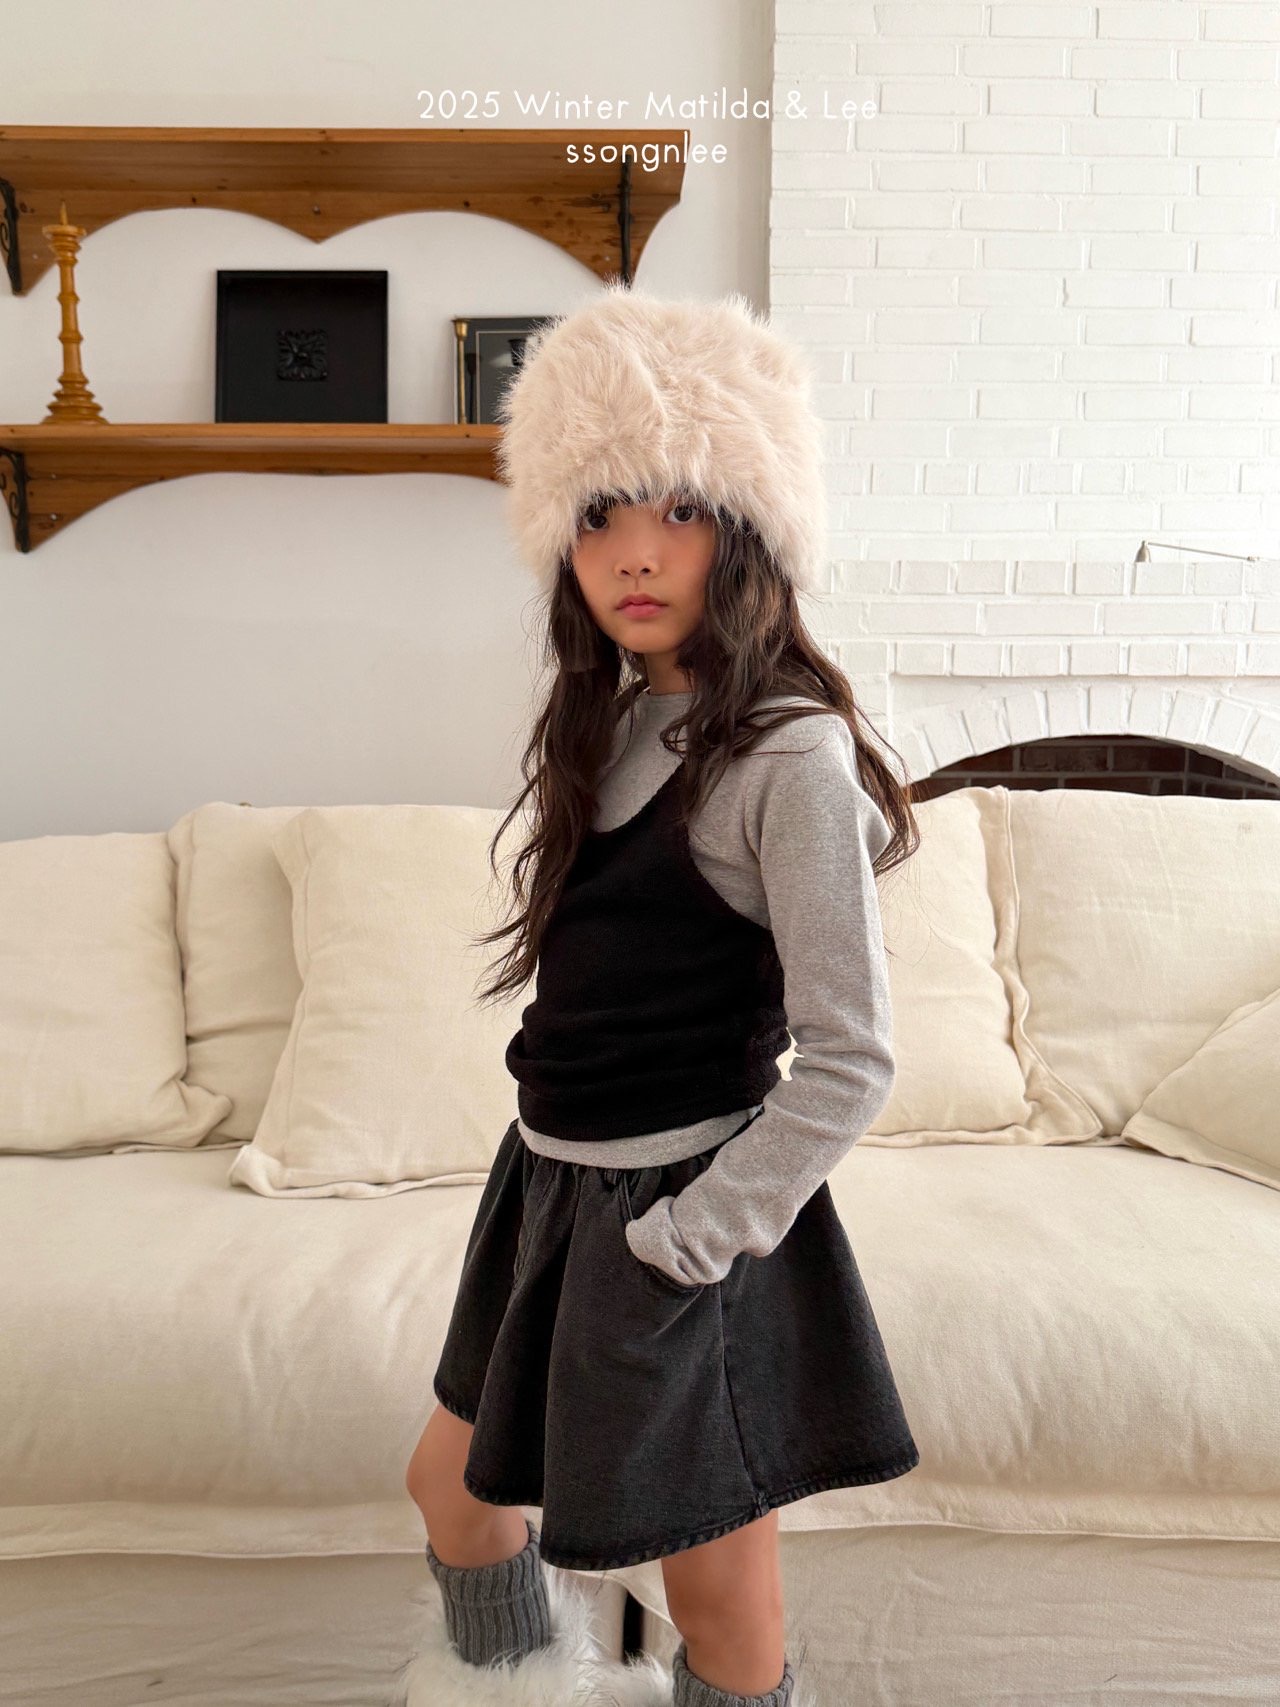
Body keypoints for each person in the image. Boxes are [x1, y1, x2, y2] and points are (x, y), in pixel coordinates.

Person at [401, 283, 923, 1707]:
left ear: (749, 527)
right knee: (453, 1489)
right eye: (598, 515)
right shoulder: (619, 717)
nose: (634, 553)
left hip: (676, 1216)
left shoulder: (786, 756)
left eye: (679, 509)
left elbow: (853, 1058)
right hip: (548, 1189)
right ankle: (513, 1689)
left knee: (719, 1592)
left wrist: (690, 1243)